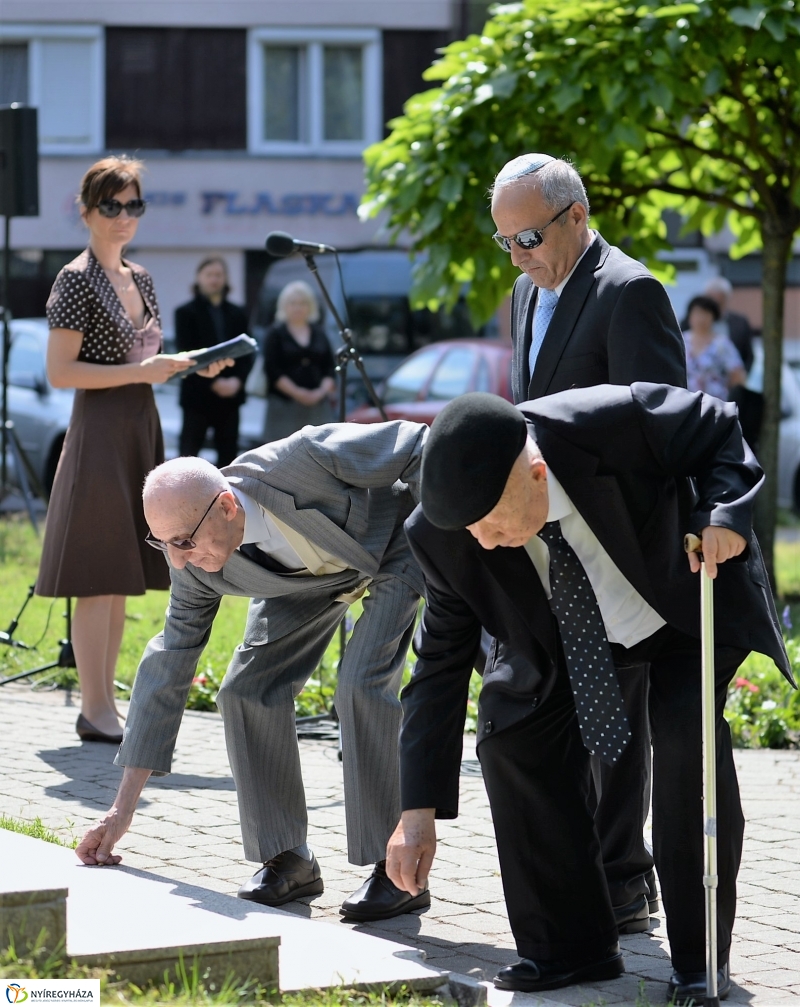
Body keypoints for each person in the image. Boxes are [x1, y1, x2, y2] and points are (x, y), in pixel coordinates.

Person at [388, 388, 791, 1003]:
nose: (487, 542)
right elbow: (438, 668)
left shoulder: (611, 422)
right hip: (572, 638)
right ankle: (570, 949)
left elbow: (717, 427)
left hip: (678, 604)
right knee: (511, 737)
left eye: (495, 523)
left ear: (536, 474)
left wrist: (723, 513)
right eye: (474, 530)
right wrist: (416, 811)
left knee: (687, 744)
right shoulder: (445, 535)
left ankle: (701, 959)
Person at [75, 420, 431, 923]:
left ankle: (397, 872)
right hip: (302, 583)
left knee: (359, 683)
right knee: (247, 690)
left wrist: (450, 527)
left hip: (392, 546)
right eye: (163, 546)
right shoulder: (197, 565)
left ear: (226, 506)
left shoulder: (305, 457)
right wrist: (120, 812)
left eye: (183, 541)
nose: (178, 563)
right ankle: (289, 857)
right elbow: (168, 664)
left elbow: (420, 445)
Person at [494, 152, 687, 930]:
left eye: (531, 236)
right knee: (573, 706)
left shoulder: (630, 291)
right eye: (506, 239)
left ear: (577, 214)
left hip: (617, 545)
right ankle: (599, 871)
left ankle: (624, 882)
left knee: (615, 713)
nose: (519, 254)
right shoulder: (523, 290)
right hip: (547, 537)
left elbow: (658, 427)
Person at [35, 156, 229, 744]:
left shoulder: (141, 278)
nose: (124, 217)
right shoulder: (75, 279)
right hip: (97, 431)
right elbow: (61, 373)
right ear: (87, 210)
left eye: (133, 206)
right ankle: (94, 706)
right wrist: (142, 370)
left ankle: (103, 702)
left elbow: (145, 365)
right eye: (112, 206)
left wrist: (192, 367)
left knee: (119, 572)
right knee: (97, 573)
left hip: (139, 426)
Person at [175, 257, 254, 467]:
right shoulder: (185, 313)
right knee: (188, 457)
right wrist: (213, 382)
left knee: (229, 458)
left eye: (218, 275)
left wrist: (237, 381)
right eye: (209, 274)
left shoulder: (237, 313)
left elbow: (248, 353)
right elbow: (186, 353)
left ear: (226, 279)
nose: (214, 279)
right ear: (199, 278)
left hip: (230, 397)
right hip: (197, 396)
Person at [263, 281, 336, 442]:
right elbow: (272, 370)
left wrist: (319, 393)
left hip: (318, 406)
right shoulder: (275, 333)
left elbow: (329, 367)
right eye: (293, 303)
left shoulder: (319, 333)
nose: (298, 307)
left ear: (310, 306)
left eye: (303, 303)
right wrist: (298, 393)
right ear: (284, 306)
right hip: (284, 407)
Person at [683, 294, 746, 401]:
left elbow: (737, 376)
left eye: (706, 314)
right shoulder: (681, 340)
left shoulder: (722, 344)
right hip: (685, 403)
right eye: (697, 313)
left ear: (713, 317)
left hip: (716, 404)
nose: (701, 319)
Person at [704, 276, 755, 373]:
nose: (715, 308)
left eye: (719, 303)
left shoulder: (740, 323)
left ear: (726, 300)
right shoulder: (691, 322)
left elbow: (748, 355)